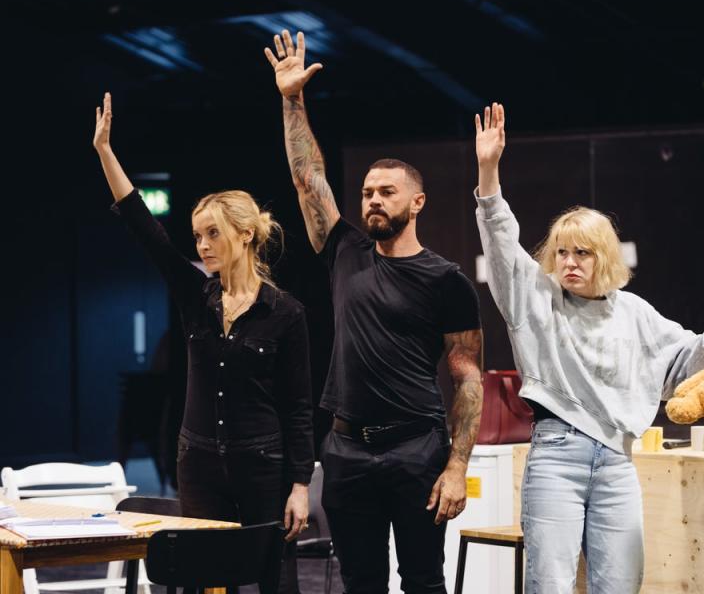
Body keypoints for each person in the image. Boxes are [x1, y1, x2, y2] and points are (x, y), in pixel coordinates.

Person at [474, 102, 704, 593]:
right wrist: (489, 172)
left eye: (582, 252)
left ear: (605, 258)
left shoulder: (633, 311)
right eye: (562, 252)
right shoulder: (537, 300)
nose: (570, 262)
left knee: (621, 584)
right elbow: (501, 243)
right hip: (557, 455)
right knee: (550, 584)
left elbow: (681, 359)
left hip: (618, 460)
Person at [262, 30, 484, 593]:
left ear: (417, 202)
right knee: (360, 582)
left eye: (387, 192)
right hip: (345, 447)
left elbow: (468, 379)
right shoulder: (344, 251)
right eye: (366, 192)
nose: (373, 201)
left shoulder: (446, 279)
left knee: (423, 581)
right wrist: (292, 99)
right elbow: (307, 179)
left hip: (417, 447)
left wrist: (457, 467)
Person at [92, 93, 313, 594]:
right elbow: (143, 227)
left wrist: (300, 485)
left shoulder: (286, 313)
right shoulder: (196, 296)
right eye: (197, 236)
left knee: (274, 581)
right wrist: (106, 152)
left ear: (246, 234)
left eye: (213, 233)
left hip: (263, 464)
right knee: (202, 581)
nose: (204, 245)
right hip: (199, 463)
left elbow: (298, 408)